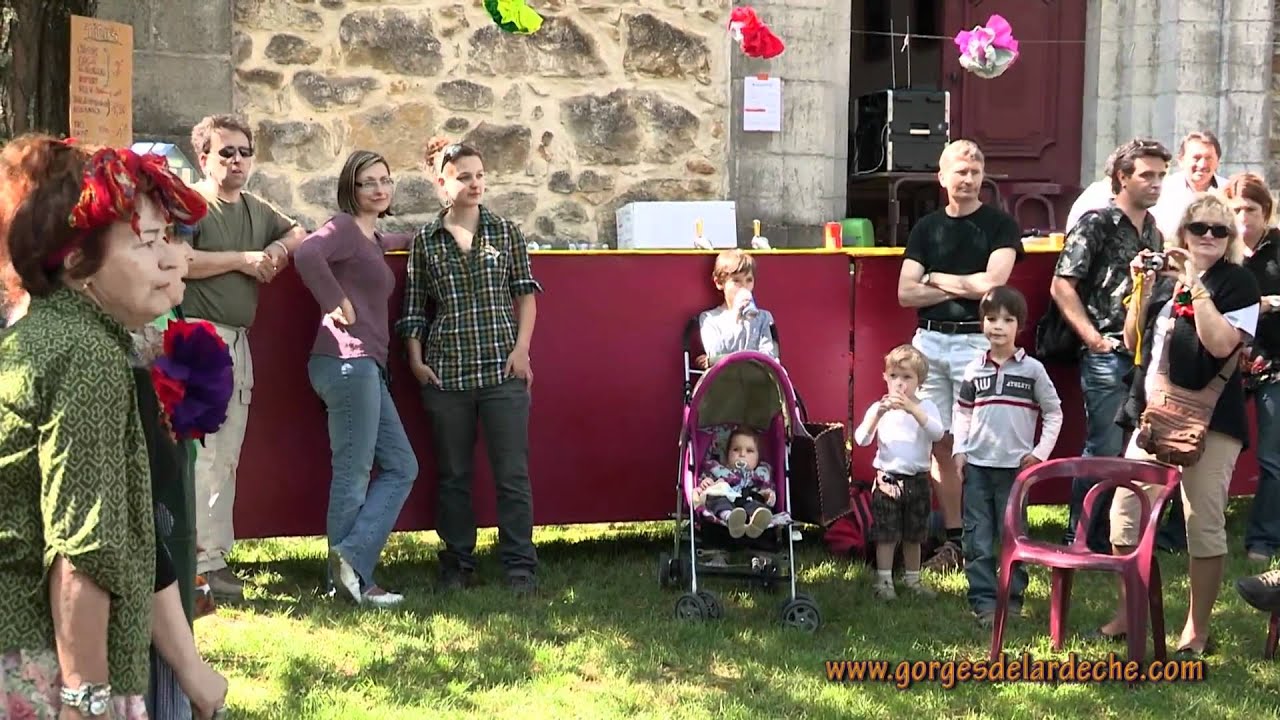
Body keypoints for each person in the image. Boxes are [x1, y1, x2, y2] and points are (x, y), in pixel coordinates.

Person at [0, 136, 218, 718]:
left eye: (168, 240)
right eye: (148, 243)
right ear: (76, 264)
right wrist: (84, 699)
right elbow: (83, 548)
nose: (173, 259)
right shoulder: (86, 357)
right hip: (44, 666)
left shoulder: (53, 338)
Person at [1101, 193, 1260, 658]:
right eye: (1199, 228)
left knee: (1202, 523)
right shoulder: (1165, 283)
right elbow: (1132, 341)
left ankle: (1197, 628)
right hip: (1152, 415)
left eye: (1219, 230)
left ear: (1230, 239)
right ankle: (1128, 611)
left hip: (1210, 421)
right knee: (1124, 515)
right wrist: (1143, 291)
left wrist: (1195, 283)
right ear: (1183, 233)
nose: (1208, 237)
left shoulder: (1239, 284)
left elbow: (1220, 343)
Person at [396, 138, 541, 595]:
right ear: (443, 183)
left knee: (512, 474)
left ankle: (520, 567)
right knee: (454, 476)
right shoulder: (426, 240)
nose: (475, 183)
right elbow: (414, 307)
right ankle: (457, 563)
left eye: (479, 175)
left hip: (502, 371)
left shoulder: (505, 232)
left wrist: (522, 351)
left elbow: (526, 295)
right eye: (464, 176)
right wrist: (416, 361)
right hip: (447, 375)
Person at [183, 114, 308, 600]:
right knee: (202, 455)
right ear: (204, 158)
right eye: (225, 153)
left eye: (244, 152)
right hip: (198, 340)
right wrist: (242, 259)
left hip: (239, 341)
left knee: (227, 457)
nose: (236, 161)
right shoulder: (191, 205)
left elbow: (299, 231)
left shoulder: (256, 209)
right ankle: (193, 563)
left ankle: (214, 562)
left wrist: (275, 247)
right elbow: (182, 261)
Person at [294, 151, 418, 608]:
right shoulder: (344, 227)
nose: (380, 189)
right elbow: (308, 251)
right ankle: (350, 581)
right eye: (368, 183)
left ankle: (349, 562)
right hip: (346, 363)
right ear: (352, 188)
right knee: (354, 473)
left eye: (385, 180)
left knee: (402, 466)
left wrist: (439, 230)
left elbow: (394, 240)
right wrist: (334, 300)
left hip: (367, 367)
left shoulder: (370, 238)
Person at [896, 139, 1022, 572]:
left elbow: (993, 285)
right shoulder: (926, 228)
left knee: (982, 442)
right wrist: (965, 283)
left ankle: (987, 535)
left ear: (982, 177)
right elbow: (905, 292)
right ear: (942, 177)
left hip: (976, 341)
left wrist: (936, 276)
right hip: (929, 341)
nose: (967, 179)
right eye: (959, 172)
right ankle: (954, 539)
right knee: (940, 442)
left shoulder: (1000, 227)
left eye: (974, 172)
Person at [1049, 138, 1170, 554]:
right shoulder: (1096, 222)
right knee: (1102, 445)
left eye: (1160, 176)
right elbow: (1062, 284)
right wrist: (1093, 338)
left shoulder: (1153, 228)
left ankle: (1118, 535)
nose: (1156, 184)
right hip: (1105, 351)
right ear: (1122, 177)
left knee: (1132, 447)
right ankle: (1080, 535)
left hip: (1142, 352)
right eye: (1147, 175)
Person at [953, 286, 1064, 627]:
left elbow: (1054, 412)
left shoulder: (1032, 371)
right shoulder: (974, 370)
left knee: (1013, 536)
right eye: (990, 319)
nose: (997, 326)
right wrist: (960, 450)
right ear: (981, 324)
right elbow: (963, 412)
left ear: (1020, 326)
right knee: (978, 536)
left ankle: (1012, 600)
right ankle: (984, 601)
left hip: (1014, 471)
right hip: (978, 467)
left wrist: (1038, 454)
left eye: (1007, 319)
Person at [853, 344, 944, 601]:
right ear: (885, 377)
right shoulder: (880, 408)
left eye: (907, 378)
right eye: (894, 376)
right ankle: (884, 581)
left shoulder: (926, 407)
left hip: (917, 481)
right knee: (886, 534)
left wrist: (913, 410)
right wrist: (877, 414)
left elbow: (937, 433)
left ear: (919, 381)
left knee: (915, 534)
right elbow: (861, 438)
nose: (899, 384)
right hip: (887, 480)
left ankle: (913, 579)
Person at [1223, 173, 1280, 563]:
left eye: (1251, 209)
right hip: (1226, 363)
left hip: (1274, 363)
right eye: (1236, 209)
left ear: (1267, 212)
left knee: (1273, 457)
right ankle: (1176, 531)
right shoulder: (1221, 249)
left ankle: (1263, 539)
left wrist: (1269, 304)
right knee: (1200, 448)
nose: (1244, 217)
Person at [696, 249, 777, 368]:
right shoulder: (709, 319)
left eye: (749, 280)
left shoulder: (764, 318)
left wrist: (717, 359)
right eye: (736, 281)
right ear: (719, 283)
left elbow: (769, 357)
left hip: (758, 381)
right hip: (726, 382)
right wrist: (735, 317)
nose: (744, 287)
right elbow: (716, 356)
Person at [695, 427, 776, 539]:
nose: (742, 454)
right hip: (726, 498)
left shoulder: (760, 474)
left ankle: (756, 522)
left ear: (758, 458)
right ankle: (730, 517)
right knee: (717, 499)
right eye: (736, 449)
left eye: (749, 451)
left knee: (758, 504)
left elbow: (767, 490)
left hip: (748, 500)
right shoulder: (718, 469)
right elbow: (703, 482)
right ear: (727, 455)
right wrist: (706, 483)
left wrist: (768, 495)